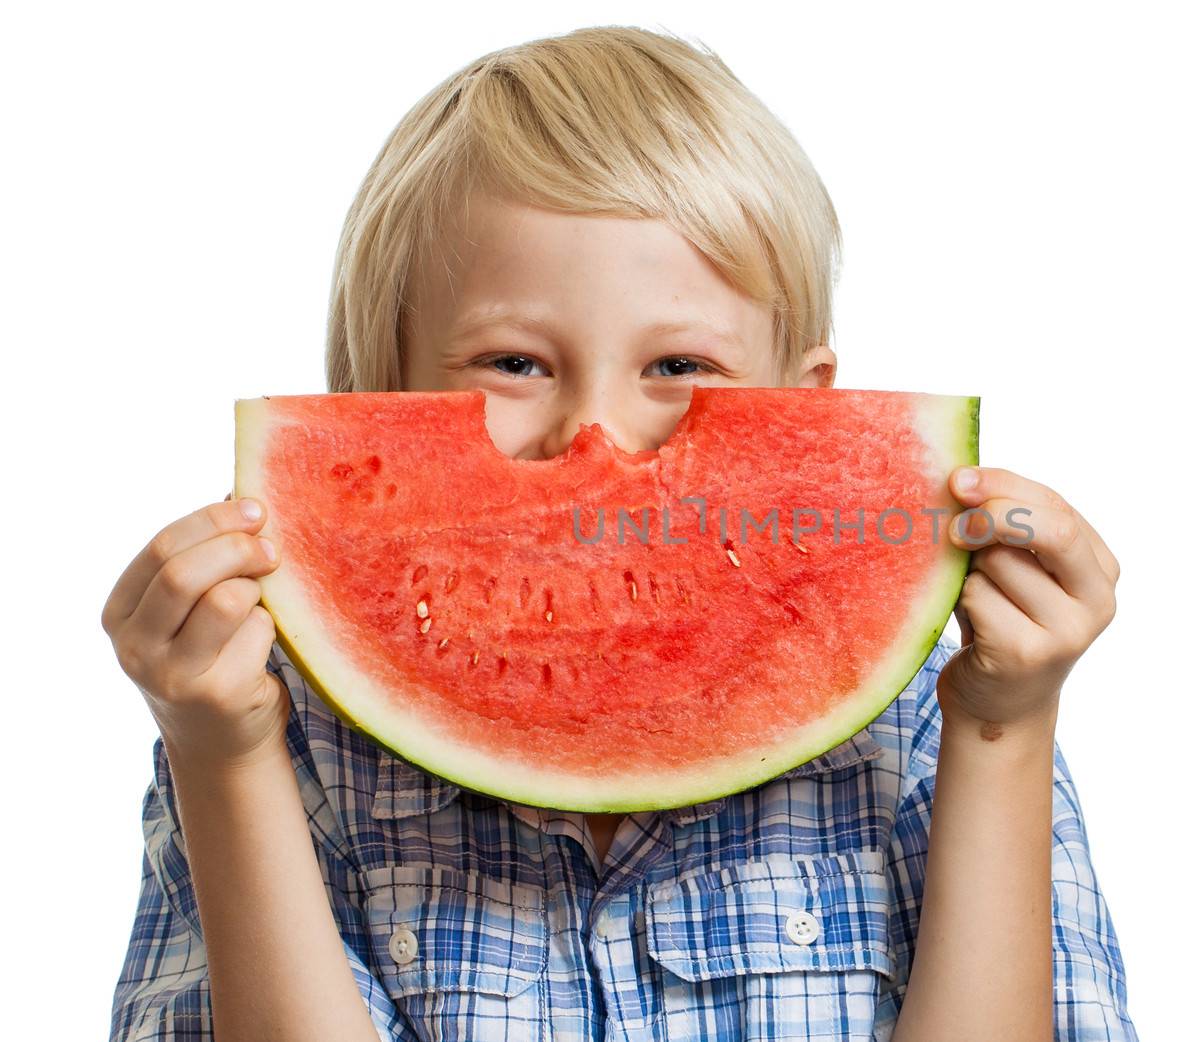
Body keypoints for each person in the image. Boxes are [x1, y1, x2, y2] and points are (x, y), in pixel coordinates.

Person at [103, 25, 1137, 1042]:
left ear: (807, 408)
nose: (592, 435)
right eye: (513, 362)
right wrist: (226, 762)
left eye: (679, 365)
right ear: (378, 402)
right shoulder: (272, 731)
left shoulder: (923, 725)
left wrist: (1003, 730)